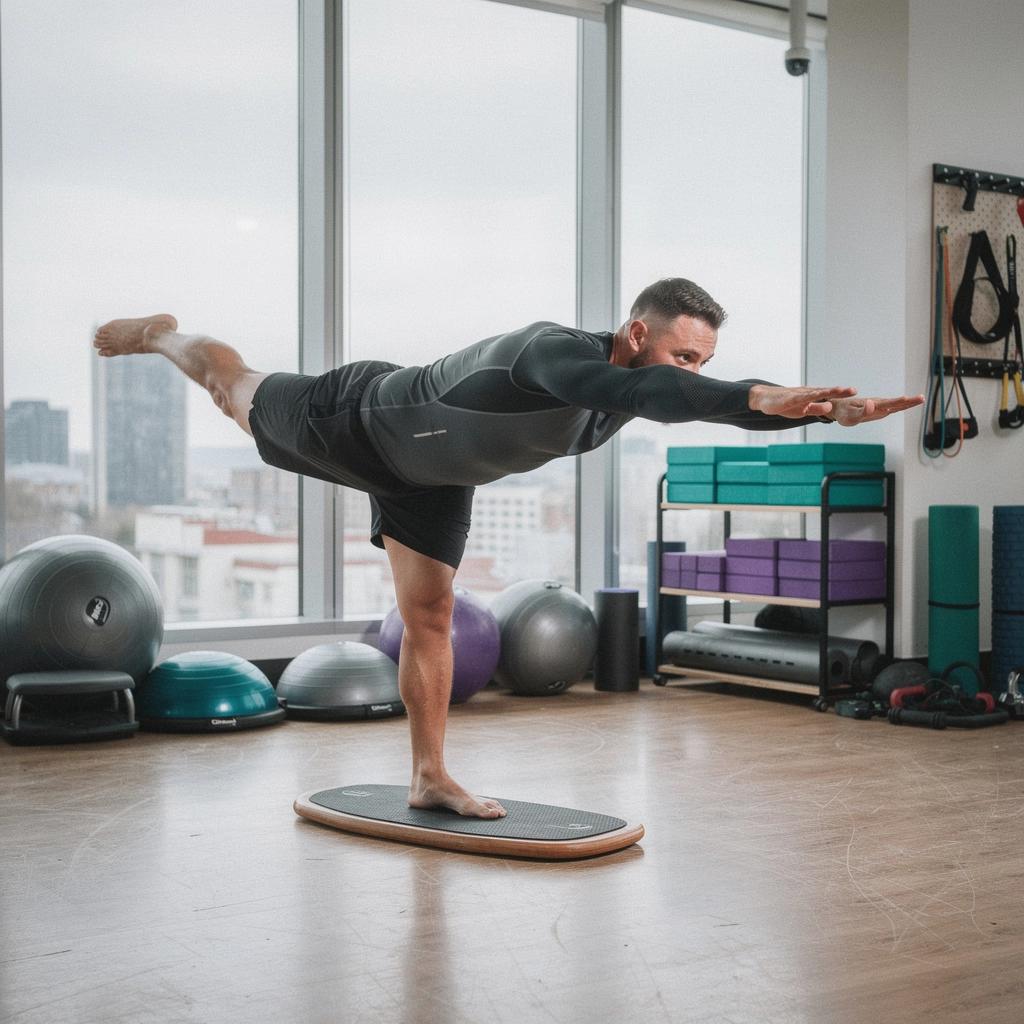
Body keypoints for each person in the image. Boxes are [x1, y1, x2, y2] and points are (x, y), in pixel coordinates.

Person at [93, 278, 923, 819]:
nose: (690, 369)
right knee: (230, 388)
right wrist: (772, 395)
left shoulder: (626, 394)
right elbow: (658, 392)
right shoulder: (552, 351)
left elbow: (673, 397)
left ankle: (429, 775)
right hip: (358, 418)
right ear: (636, 334)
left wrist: (808, 409)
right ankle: (164, 337)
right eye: (681, 354)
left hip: (432, 480)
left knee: (431, 615)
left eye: (704, 360)